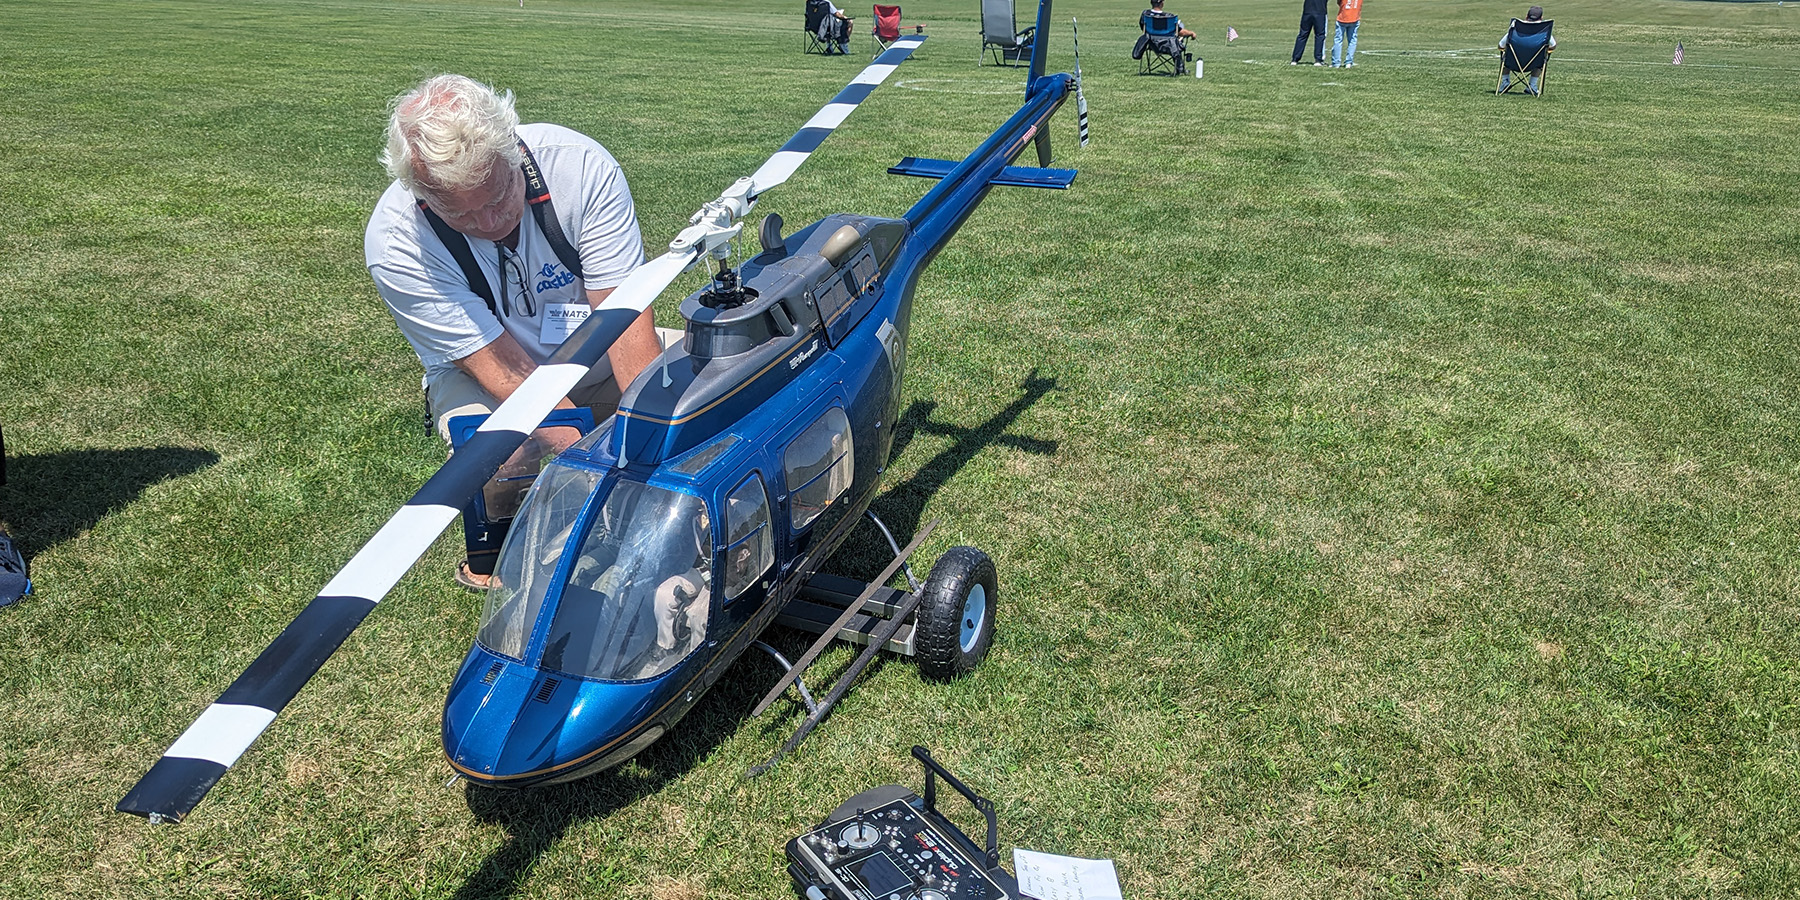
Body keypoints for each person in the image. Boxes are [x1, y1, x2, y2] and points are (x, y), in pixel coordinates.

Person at [365, 74, 663, 588]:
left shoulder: (581, 166)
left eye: (500, 193)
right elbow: (509, 376)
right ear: (421, 196)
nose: (488, 220)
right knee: (500, 448)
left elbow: (624, 323)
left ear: (513, 148)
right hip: (488, 374)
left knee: (715, 375)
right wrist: (609, 476)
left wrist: (657, 443)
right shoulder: (397, 244)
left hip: (594, 342)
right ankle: (494, 561)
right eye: (459, 212)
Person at [1498, 5, 1556, 94]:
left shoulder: (1516, 26)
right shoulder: (1544, 30)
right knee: (1541, 58)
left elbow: (1501, 45)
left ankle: (1505, 82)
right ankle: (1532, 85)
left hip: (1512, 62)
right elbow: (1553, 45)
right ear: (1541, 18)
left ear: (1526, 16)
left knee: (1506, 56)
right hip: (1534, 63)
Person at [1135, 0, 1196, 74]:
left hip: (1152, 44)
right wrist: (1191, 33)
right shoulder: (1169, 16)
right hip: (1169, 45)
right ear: (1162, 4)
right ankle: (1180, 67)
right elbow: (1180, 32)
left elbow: (1144, 29)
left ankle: (1180, 67)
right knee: (1180, 28)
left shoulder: (1145, 15)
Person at [1291, 0, 1328, 65]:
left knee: (1303, 35)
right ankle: (1318, 59)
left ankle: (1295, 59)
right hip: (1320, 11)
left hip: (1307, 11)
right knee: (1319, 35)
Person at [1331, 0, 1363, 67]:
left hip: (1343, 17)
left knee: (1338, 40)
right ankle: (1349, 62)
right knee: (1352, 40)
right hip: (1354, 16)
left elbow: (1339, 2)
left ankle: (1336, 62)